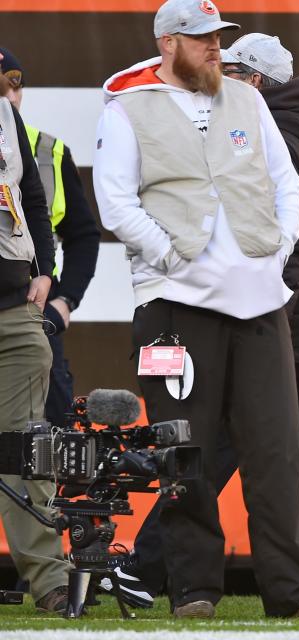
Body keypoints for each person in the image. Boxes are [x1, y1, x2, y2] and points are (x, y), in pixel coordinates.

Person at [91, 0, 299, 619]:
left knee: (278, 450)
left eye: (219, 37)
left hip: (261, 302)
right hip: (174, 306)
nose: (215, 47)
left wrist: (278, 245)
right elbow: (115, 201)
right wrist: (172, 258)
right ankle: (196, 592)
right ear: (167, 42)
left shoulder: (250, 100)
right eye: (202, 37)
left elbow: (286, 182)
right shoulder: (127, 109)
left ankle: (295, 592)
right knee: (187, 453)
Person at [0, 54, 72, 613]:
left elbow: (33, 201)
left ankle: (49, 580)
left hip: (13, 311)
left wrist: (45, 269)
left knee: (28, 447)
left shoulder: (7, 119)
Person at [0, 47, 101, 430]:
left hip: (32, 305)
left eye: (16, 85)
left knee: (51, 430)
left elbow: (83, 236)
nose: (10, 95)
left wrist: (65, 300)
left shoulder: (48, 150)